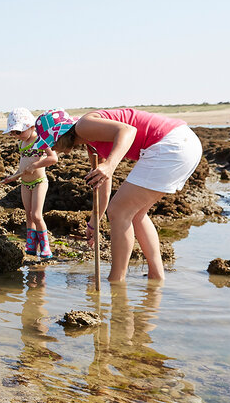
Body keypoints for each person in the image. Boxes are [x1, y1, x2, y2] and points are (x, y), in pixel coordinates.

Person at [50, 108, 202, 283]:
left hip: (171, 145)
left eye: (49, 142)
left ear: (59, 134)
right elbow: (102, 186)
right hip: (184, 144)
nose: (51, 148)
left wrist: (110, 165)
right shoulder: (90, 143)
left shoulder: (83, 126)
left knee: (119, 211)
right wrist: (93, 223)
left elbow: (128, 131)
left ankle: (116, 281)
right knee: (136, 214)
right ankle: (156, 277)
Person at [4, 108, 72, 258]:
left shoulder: (39, 140)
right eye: (13, 133)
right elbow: (22, 167)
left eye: (18, 132)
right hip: (25, 183)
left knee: (36, 215)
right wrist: (13, 177)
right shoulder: (22, 144)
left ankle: (45, 245)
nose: (16, 135)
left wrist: (34, 166)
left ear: (31, 127)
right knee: (28, 215)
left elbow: (53, 158)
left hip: (39, 182)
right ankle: (31, 244)